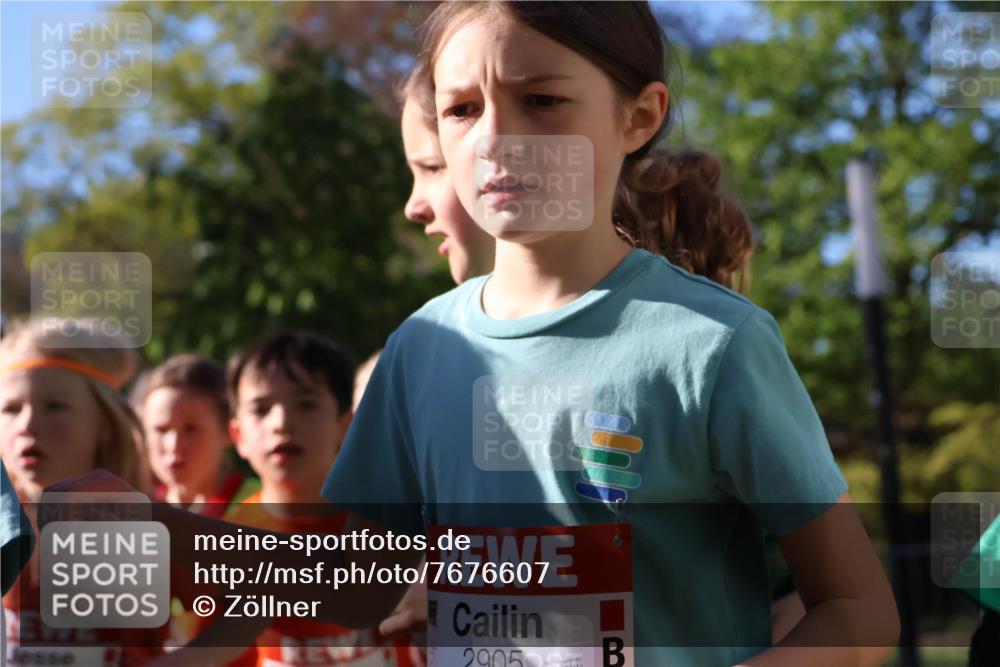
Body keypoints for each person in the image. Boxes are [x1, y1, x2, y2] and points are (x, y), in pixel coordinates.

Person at [323, 2, 899, 665]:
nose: (495, 138)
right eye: (461, 110)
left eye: (541, 99)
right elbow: (338, 579)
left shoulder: (714, 343)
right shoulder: (419, 350)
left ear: (640, 117)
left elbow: (859, 609)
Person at [0, 317, 166, 665]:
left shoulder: (151, 527)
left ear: (105, 424)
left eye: (55, 406)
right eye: (10, 409)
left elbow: (245, 617)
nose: (27, 425)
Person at [138, 353, 255, 516]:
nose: (174, 445)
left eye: (191, 429)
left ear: (229, 432)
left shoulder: (264, 506)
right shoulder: (138, 512)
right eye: (161, 429)